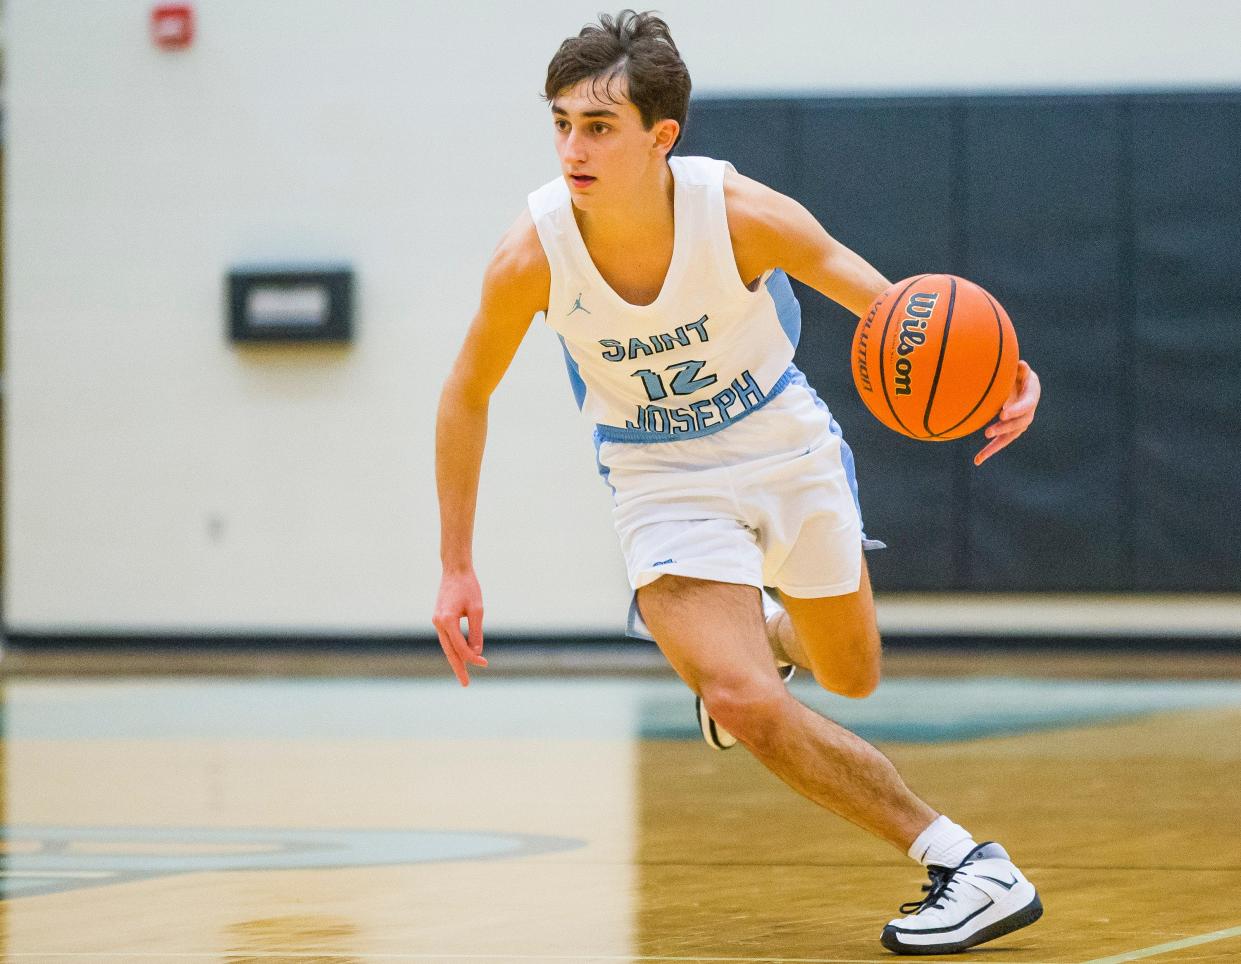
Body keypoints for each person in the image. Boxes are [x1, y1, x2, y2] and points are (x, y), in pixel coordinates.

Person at [433, 10, 1044, 956]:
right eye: (560, 123)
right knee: (742, 701)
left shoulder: (743, 214)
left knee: (851, 674)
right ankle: (964, 862)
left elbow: (897, 314)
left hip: (782, 443)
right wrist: (456, 565)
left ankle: (762, 631)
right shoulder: (532, 254)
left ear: (659, 135)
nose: (571, 147)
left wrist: (998, 373)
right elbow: (465, 395)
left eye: (598, 126)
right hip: (656, 472)